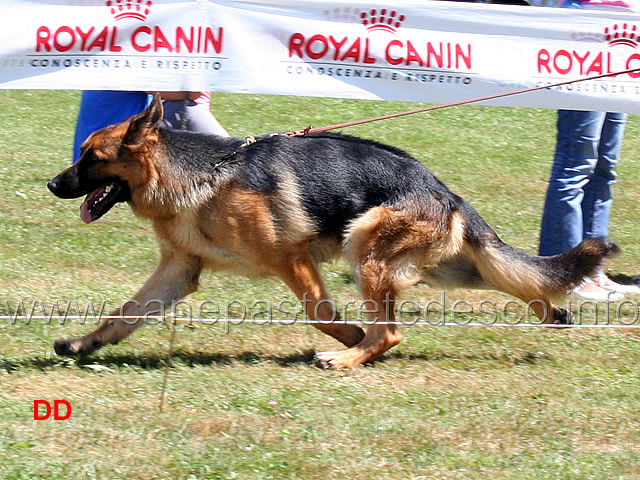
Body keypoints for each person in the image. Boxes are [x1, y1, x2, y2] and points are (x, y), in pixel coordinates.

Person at [73, 90, 227, 163]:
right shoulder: (128, 58)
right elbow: (192, 93)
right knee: (232, 159)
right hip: (106, 154)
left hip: (111, 145)